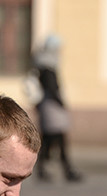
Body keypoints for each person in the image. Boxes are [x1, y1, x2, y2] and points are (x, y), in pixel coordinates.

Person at [31, 35, 82, 182]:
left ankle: (43, 170)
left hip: (47, 106)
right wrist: (61, 103)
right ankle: (67, 170)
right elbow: (52, 88)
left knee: (48, 140)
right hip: (52, 107)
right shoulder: (47, 67)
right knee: (59, 138)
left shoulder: (41, 64)